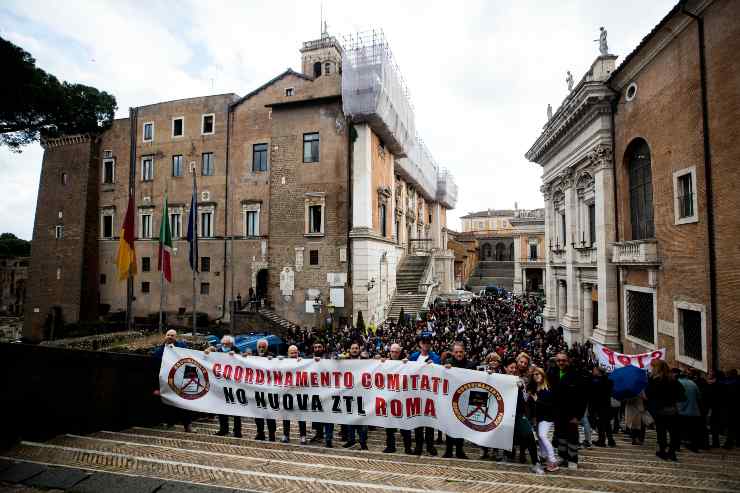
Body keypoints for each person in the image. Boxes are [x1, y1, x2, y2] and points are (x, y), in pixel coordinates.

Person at [547, 352, 587, 469]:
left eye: (563, 360)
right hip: (558, 412)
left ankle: (573, 459)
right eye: (559, 360)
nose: (561, 363)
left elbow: (583, 398)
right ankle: (562, 457)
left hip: (572, 413)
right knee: (560, 436)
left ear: (568, 361)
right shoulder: (552, 373)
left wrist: (578, 416)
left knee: (572, 437)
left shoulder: (576, 375)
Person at [504, 358, 543, 474]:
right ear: (506, 368)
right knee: (507, 435)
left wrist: (522, 388)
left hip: (519, 413)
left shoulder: (519, 381)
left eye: (515, 368)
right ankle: (506, 455)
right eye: (511, 367)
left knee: (529, 435)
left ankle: (536, 462)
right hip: (504, 414)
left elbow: (525, 399)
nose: (513, 370)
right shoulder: (499, 377)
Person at [152, 329, 192, 433]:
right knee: (167, 403)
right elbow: (155, 367)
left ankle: (187, 426)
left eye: (172, 335)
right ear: (165, 336)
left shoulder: (182, 347)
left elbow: (189, 360)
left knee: (184, 404)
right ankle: (169, 423)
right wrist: (156, 387)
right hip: (166, 381)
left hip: (180, 381)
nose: (170, 337)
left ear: (176, 337)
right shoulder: (159, 350)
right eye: (168, 335)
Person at [408, 332, 440, 456]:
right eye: (423, 342)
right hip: (416, 393)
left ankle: (430, 445)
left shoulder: (435, 357)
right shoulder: (413, 356)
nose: (426, 344)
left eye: (428, 342)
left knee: (430, 421)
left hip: (430, 393)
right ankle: (419, 445)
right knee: (418, 421)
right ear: (419, 344)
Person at [443, 342, 476, 459]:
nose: (458, 354)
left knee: (461, 425)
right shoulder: (448, 363)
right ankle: (448, 450)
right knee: (449, 425)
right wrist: (444, 369)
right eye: (456, 352)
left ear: (464, 352)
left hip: (464, 400)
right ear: (452, 353)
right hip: (450, 399)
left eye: (460, 352)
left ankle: (459, 450)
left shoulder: (471, 365)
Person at [645, 359, 683, 461]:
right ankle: (672, 452)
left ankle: (662, 451)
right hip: (672, 409)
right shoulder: (674, 381)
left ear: (656, 368)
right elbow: (681, 395)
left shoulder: (655, 381)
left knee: (661, 432)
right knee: (673, 432)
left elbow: (649, 395)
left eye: (652, 367)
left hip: (660, 410)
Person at [204, 335, 242, 437]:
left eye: (227, 344)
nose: (225, 346)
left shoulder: (237, 350)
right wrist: (208, 351)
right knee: (221, 407)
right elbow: (207, 356)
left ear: (232, 345)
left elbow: (243, 362)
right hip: (220, 384)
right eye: (223, 344)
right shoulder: (218, 350)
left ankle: (237, 431)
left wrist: (236, 356)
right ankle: (223, 429)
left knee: (236, 408)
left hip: (234, 384)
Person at [382, 343, 413, 454]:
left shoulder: (406, 363)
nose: (394, 353)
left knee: (405, 425)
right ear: (389, 352)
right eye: (392, 351)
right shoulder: (385, 363)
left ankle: (408, 447)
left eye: (396, 351)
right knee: (389, 426)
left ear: (400, 352)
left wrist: (407, 364)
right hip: (389, 399)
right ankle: (390, 446)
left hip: (402, 399)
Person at [529, 367, 558, 471]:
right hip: (538, 418)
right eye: (534, 374)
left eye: (538, 374)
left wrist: (537, 400)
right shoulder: (534, 388)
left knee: (542, 436)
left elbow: (550, 405)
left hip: (547, 417)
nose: (536, 376)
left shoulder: (547, 389)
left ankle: (553, 460)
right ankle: (544, 456)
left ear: (543, 375)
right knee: (540, 438)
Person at [308, 341, 335, 447]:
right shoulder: (309, 359)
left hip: (328, 392)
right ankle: (318, 434)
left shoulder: (329, 358)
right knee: (316, 415)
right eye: (315, 347)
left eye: (319, 347)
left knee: (328, 416)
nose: (317, 349)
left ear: (323, 348)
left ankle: (328, 438)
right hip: (314, 392)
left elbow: (337, 359)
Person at [343, 342, 369, 450]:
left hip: (363, 395)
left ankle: (363, 442)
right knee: (350, 418)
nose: (354, 350)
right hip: (349, 394)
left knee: (363, 420)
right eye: (352, 348)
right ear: (349, 350)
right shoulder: (344, 361)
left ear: (359, 350)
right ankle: (351, 440)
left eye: (356, 348)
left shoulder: (366, 361)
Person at [282, 345, 307, 444]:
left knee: (301, 416)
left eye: (295, 353)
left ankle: (303, 435)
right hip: (287, 392)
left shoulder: (302, 362)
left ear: (298, 353)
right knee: (286, 415)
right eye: (291, 353)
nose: (293, 355)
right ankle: (286, 434)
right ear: (288, 354)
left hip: (299, 392)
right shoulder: (282, 363)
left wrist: (303, 361)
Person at [253, 338, 277, 441]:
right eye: (260, 347)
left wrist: (277, 359)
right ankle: (260, 432)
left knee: (270, 413)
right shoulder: (252, 356)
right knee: (258, 413)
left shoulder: (272, 356)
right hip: (257, 389)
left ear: (267, 347)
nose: (261, 349)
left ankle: (272, 434)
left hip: (269, 390)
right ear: (257, 347)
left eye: (263, 347)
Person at [589, 366, 616, 447]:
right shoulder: (609, 381)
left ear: (598, 372)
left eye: (594, 370)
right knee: (607, 424)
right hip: (607, 404)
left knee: (600, 424)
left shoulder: (596, 382)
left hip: (599, 405)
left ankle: (601, 441)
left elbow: (593, 395)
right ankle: (611, 440)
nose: (592, 372)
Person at [676, 370, 702, 453]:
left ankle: (678, 446)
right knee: (692, 431)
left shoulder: (678, 383)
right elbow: (699, 396)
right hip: (693, 410)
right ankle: (694, 446)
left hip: (681, 411)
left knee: (679, 430)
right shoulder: (693, 383)